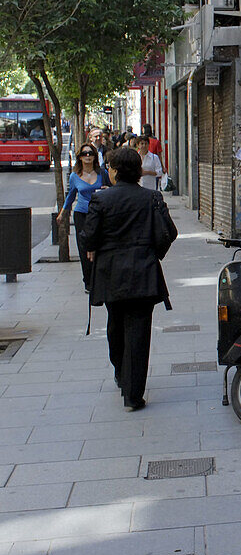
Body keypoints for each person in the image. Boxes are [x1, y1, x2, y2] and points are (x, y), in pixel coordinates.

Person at [81, 147, 177, 412]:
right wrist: (154, 253)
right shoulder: (152, 198)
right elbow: (169, 232)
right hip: (143, 274)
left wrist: (96, 248)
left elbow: (88, 237)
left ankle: (123, 376)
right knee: (139, 333)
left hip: (111, 275)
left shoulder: (101, 200)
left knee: (115, 327)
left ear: (114, 171)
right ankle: (133, 394)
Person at [56, 143, 107, 291]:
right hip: (82, 214)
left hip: (99, 214)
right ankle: (88, 281)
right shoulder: (74, 176)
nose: (88, 156)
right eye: (84, 154)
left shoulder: (102, 173)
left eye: (90, 153)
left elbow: (112, 189)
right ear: (79, 157)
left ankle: (99, 278)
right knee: (84, 247)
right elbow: (71, 196)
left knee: (99, 244)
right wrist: (63, 213)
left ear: (95, 156)